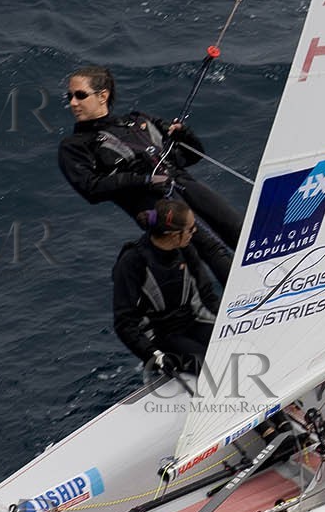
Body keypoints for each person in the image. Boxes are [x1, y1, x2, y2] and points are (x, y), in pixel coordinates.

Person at [57, 64, 242, 279]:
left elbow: (190, 157)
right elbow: (91, 189)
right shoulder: (75, 145)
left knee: (237, 227)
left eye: (80, 95)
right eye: (69, 96)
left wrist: (185, 136)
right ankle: (250, 302)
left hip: (181, 182)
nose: (73, 103)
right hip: (153, 205)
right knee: (211, 247)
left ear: (103, 96)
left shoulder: (137, 120)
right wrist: (143, 180)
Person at [113, 200, 220, 376]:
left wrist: (230, 324)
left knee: (234, 349)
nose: (195, 232)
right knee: (213, 368)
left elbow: (207, 294)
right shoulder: (132, 262)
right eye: (190, 229)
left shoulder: (185, 248)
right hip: (160, 336)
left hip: (192, 321)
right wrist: (153, 355)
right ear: (172, 234)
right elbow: (124, 323)